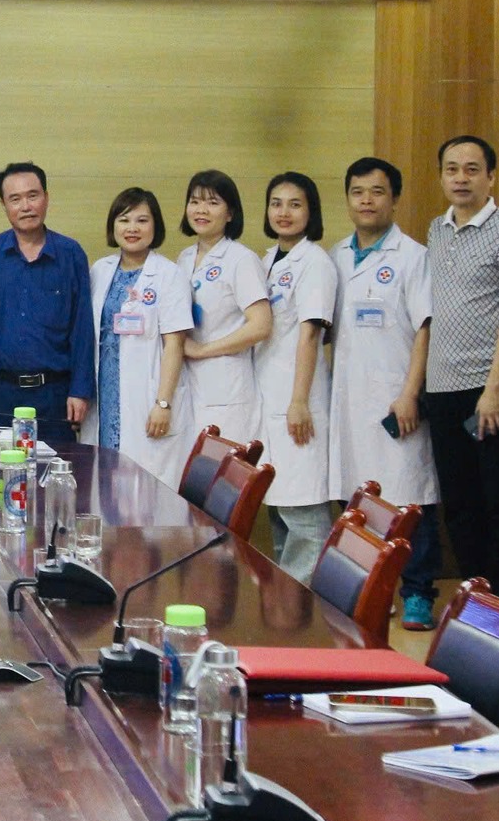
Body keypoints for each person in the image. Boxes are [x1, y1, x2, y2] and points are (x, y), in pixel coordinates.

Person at [328, 158, 441, 629]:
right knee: (356, 497)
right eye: (358, 192)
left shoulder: (413, 257)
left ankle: (418, 593)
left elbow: (425, 328)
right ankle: (374, 590)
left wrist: (410, 392)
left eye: (377, 192)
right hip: (348, 398)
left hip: (396, 395)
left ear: (394, 199)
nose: (367, 201)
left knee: (409, 498)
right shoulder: (335, 256)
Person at [423, 135, 499, 601]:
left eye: (472, 169)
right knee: (459, 505)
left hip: (489, 389)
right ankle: (474, 600)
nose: (461, 178)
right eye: (452, 169)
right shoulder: (436, 229)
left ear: (491, 177)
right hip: (441, 388)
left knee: (497, 504)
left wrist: (493, 389)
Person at [256, 172, 338, 584]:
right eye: (276, 203)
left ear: (311, 212)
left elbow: (310, 333)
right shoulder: (268, 260)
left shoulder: (316, 263)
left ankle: (308, 602)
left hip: (297, 398)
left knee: (304, 512)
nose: (283, 212)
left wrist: (300, 400)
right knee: (280, 506)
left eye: (295, 204)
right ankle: (286, 599)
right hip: (270, 397)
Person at [0, 162, 92, 445]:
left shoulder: (70, 254)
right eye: (15, 199)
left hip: (54, 394)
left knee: (55, 469)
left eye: (33, 196)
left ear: (46, 197)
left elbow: (82, 327)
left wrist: (80, 390)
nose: (26, 206)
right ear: (4, 205)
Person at [85, 187, 191, 481]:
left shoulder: (169, 275)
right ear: (113, 226)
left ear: (155, 226)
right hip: (104, 393)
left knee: (143, 488)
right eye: (124, 220)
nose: (132, 228)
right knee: (103, 480)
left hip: (147, 395)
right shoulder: (100, 270)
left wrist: (163, 403)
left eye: (142, 221)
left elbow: (175, 344)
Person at [176, 170, 271, 446]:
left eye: (213, 202)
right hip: (190, 382)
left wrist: (203, 350)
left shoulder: (241, 259)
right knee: (192, 465)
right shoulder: (184, 258)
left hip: (227, 385)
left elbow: (261, 325)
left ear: (230, 213)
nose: (201, 210)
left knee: (220, 465)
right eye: (195, 201)